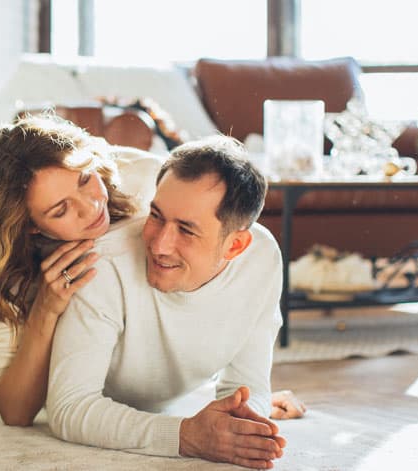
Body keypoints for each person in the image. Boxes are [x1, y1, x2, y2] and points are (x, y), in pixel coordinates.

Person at [0, 116, 305, 428]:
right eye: (61, 210)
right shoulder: (6, 266)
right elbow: (16, 412)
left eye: (85, 179)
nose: (91, 207)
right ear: (32, 225)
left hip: (73, 332)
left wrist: (248, 396)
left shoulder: (143, 179)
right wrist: (46, 310)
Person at [46, 135, 287, 468]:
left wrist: (243, 424)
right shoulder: (102, 265)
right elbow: (68, 408)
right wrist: (185, 435)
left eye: (186, 230)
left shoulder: (261, 259)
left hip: (152, 395)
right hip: (5, 333)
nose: (159, 245)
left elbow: (247, 386)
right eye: (156, 216)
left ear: (235, 246)